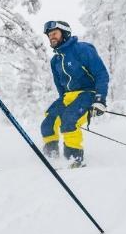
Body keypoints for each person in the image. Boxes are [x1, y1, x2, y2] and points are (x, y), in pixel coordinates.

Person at [40, 20, 109, 167]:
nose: (51, 37)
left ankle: (74, 159)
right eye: (49, 35)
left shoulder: (82, 49)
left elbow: (101, 73)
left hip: (87, 93)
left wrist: (100, 99)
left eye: (54, 33)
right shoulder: (55, 60)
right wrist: (62, 104)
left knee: (69, 120)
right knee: (48, 123)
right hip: (68, 97)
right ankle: (52, 158)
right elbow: (60, 86)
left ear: (65, 33)